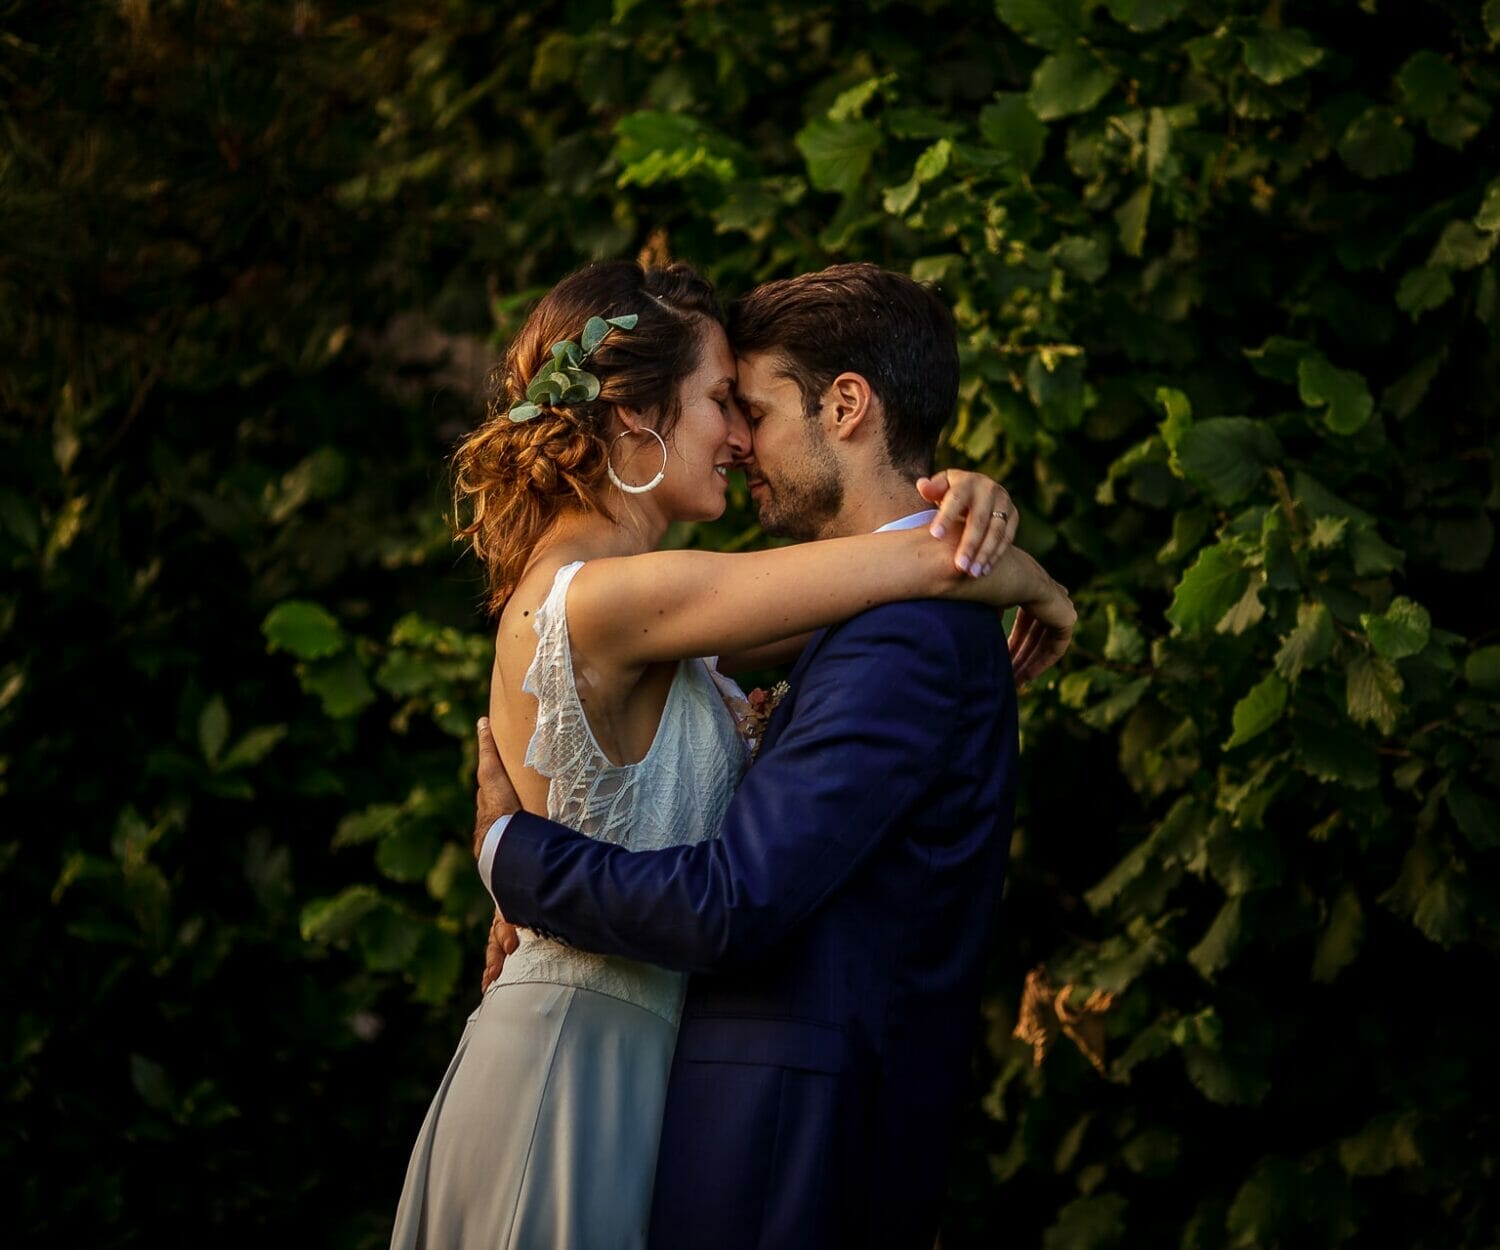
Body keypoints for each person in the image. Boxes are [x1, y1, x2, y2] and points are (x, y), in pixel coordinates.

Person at [392, 258, 1072, 1250]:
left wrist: (963, 515)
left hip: (648, 1073)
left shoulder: (681, 623)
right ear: (634, 416)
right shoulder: (609, 598)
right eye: (722, 401)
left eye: (747, 406)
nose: (742, 438)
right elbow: (922, 556)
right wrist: (1024, 571)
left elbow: (872, 578)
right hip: (574, 1067)